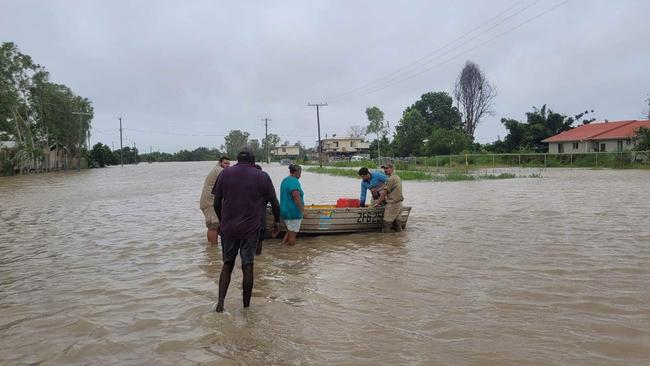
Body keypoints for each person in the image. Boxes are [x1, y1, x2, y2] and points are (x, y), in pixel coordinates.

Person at [212, 147, 280, 312]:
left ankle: (220, 304)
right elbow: (274, 202)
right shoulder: (262, 176)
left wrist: (223, 221)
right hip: (250, 229)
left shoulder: (225, 174)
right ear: (254, 160)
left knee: (227, 264)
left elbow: (216, 202)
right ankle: (246, 308)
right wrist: (276, 221)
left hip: (228, 229)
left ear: (237, 159)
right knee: (247, 265)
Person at [199, 156, 230, 245]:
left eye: (229, 164)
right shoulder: (219, 170)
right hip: (211, 203)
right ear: (220, 163)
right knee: (214, 226)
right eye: (226, 163)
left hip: (207, 203)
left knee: (211, 226)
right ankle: (213, 247)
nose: (227, 165)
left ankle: (211, 250)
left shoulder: (217, 169)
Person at [280, 164, 305, 246]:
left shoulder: (285, 180)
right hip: (293, 212)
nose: (300, 175)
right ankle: (292, 255)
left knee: (290, 230)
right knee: (292, 236)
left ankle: (281, 247)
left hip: (285, 211)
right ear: (297, 172)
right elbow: (296, 196)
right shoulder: (294, 181)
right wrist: (303, 211)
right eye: (300, 172)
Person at [375, 163, 404, 233]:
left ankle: (386, 242)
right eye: (384, 168)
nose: (385, 170)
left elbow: (385, 193)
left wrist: (378, 203)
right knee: (397, 226)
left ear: (392, 169)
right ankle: (399, 241)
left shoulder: (390, 179)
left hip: (392, 205)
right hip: (399, 204)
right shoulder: (397, 177)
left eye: (387, 168)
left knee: (386, 226)